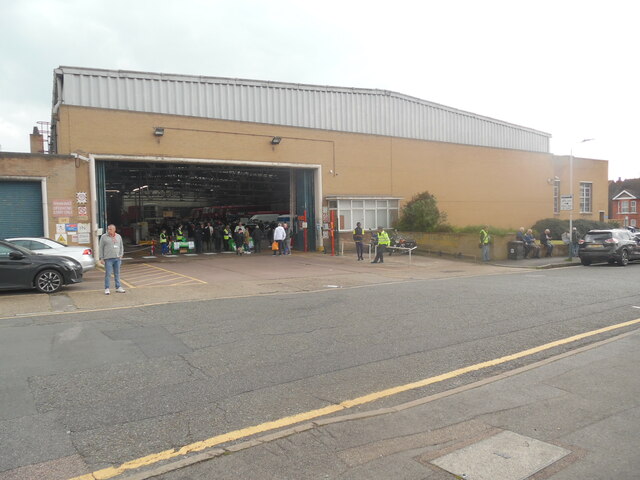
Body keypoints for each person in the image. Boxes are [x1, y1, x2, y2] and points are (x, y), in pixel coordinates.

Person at [99, 224, 125, 295]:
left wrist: (121, 254)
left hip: (117, 258)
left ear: (114, 230)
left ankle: (118, 287)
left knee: (117, 273)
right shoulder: (104, 237)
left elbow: (121, 246)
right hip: (108, 259)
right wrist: (101, 258)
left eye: (110, 229)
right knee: (108, 274)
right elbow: (101, 247)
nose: (109, 230)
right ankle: (107, 288)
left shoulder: (118, 236)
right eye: (108, 229)